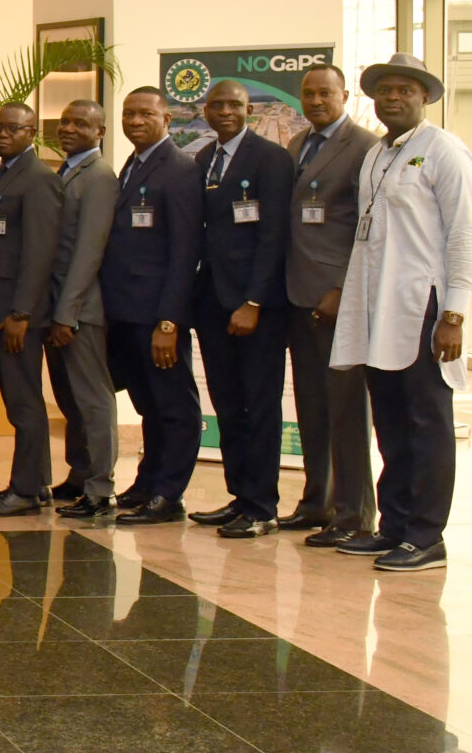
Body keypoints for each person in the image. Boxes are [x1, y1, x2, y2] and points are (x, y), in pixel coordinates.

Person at [332, 53, 472, 572]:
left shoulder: (443, 151)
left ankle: (426, 536)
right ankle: (394, 526)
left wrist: (455, 314)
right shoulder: (379, 153)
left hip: (425, 307)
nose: (393, 98)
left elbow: (464, 235)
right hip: (379, 308)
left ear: (424, 97)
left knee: (426, 422)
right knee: (391, 424)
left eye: (405, 90)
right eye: (384, 90)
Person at [191, 78, 296, 538]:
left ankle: (262, 505)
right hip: (213, 302)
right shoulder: (203, 160)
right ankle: (239, 496)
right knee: (228, 403)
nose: (226, 111)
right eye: (217, 105)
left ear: (249, 110)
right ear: (205, 111)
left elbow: (274, 237)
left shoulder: (271, 159)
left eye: (235, 104)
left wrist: (253, 301)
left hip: (256, 307)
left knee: (259, 403)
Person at [285, 63, 380, 545]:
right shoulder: (299, 145)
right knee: (312, 407)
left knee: (346, 409)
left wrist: (342, 288)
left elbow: (367, 229)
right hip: (299, 296)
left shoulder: (364, 148)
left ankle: (355, 513)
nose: (317, 101)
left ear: (344, 95)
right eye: (309, 93)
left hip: (337, 298)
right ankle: (316, 500)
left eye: (326, 93)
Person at [104, 87, 203, 526]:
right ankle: (147, 482)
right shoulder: (133, 163)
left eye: (146, 113)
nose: (136, 120)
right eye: (129, 113)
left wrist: (170, 320)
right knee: (148, 404)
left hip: (157, 313)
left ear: (167, 118)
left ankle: (169, 493)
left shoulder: (179, 168)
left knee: (173, 406)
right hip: (126, 310)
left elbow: (185, 251)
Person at [0, 103, 58, 517]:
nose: (2, 135)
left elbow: (39, 253)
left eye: (12, 129)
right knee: (18, 402)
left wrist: (21, 313)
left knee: (24, 404)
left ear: (31, 133)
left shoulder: (38, 179)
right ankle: (37, 484)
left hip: (15, 316)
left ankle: (23, 490)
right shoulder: (7, 173)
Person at [45, 99, 120, 519]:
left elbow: (89, 250)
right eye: (66, 121)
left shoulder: (99, 177)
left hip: (79, 310)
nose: (69, 129)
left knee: (93, 399)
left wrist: (66, 312)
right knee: (69, 398)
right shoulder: (69, 169)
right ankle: (80, 474)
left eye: (80, 123)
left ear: (100, 131)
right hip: (57, 306)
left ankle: (100, 487)